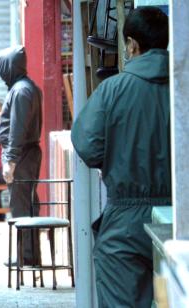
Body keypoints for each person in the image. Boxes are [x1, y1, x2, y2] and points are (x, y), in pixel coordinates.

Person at [71, 7, 170, 307]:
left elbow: (88, 147)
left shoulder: (112, 90)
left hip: (125, 221)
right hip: (179, 217)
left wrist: (118, 156)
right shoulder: (182, 87)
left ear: (131, 45)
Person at [0, 46, 42, 266]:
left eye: (1, 67)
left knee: (22, 207)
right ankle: (29, 254)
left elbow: (17, 128)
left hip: (22, 156)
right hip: (25, 154)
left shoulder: (21, 91)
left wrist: (10, 161)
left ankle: (27, 257)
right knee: (27, 204)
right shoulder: (25, 88)